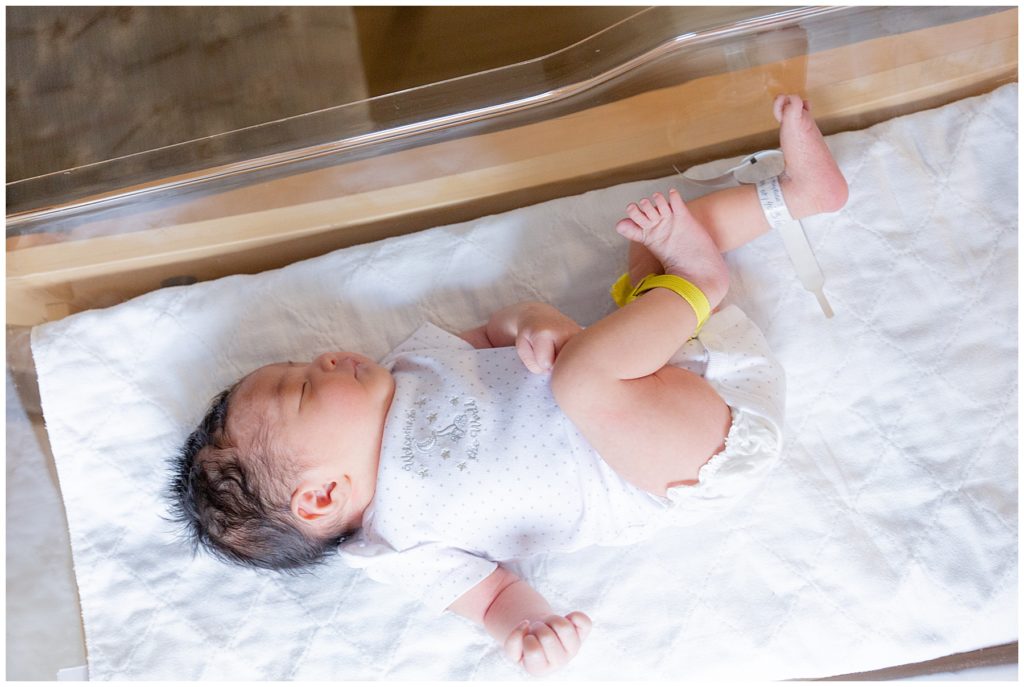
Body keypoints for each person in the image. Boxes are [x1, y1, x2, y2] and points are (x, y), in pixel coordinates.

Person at [169, 94, 848, 676]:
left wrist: (535, 326)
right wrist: (527, 632)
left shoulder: (414, 363)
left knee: (648, 242)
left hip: (678, 360)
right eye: (306, 389)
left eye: (305, 360)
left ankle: (798, 194)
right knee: (585, 378)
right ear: (321, 496)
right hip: (687, 454)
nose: (326, 358)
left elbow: (506, 328)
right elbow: (492, 597)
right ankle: (700, 282)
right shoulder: (394, 544)